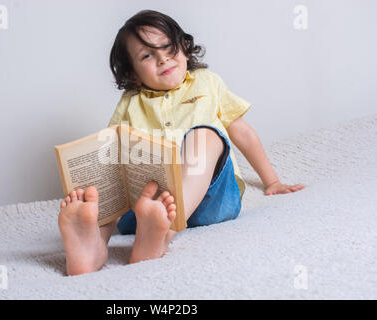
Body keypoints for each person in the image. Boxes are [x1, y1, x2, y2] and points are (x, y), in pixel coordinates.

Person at [58, 10, 305, 276]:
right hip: (143, 211)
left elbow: (242, 132)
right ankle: (94, 245)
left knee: (205, 135)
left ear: (185, 48)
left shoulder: (206, 83)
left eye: (167, 47)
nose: (163, 58)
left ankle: (166, 231)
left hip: (212, 201)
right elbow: (111, 157)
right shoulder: (131, 102)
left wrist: (272, 182)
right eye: (147, 55)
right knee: (110, 166)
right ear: (133, 74)